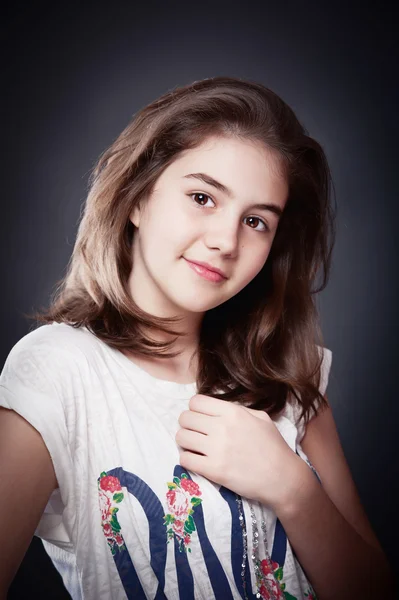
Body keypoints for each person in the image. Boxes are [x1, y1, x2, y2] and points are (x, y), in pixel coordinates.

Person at [0, 76, 394, 600]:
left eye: (256, 221)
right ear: (137, 199)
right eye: (203, 197)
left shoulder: (288, 369)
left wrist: (294, 490)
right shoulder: (59, 371)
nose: (225, 241)